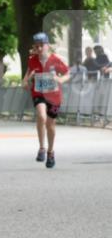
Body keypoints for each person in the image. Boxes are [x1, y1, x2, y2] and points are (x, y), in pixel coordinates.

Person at [22, 32, 70, 169]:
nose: (39, 49)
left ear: (47, 45)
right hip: (39, 93)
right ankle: (42, 147)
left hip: (54, 95)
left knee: (51, 124)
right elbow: (25, 81)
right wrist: (27, 81)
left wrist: (60, 79)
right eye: (36, 46)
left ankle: (50, 152)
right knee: (41, 116)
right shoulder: (32, 60)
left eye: (41, 45)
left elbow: (67, 73)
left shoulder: (56, 60)